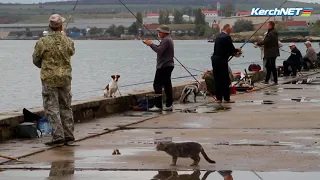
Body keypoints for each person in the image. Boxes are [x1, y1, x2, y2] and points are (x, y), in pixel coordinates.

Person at [32, 14, 75, 146]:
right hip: (65, 78)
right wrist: (64, 37)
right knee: (66, 106)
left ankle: (58, 136)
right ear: (61, 26)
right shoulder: (68, 41)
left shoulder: (42, 42)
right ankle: (68, 134)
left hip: (49, 79)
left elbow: (36, 60)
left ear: (49, 26)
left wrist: (45, 66)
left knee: (52, 108)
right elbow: (71, 52)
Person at [144, 25, 174, 111]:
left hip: (163, 66)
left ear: (165, 32)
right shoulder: (168, 40)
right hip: (168, 65)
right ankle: (169, 105)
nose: (158, 33)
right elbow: (160, 48)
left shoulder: (166, 40)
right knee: (167, 85)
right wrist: (151, 45)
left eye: (160, 32)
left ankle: (158, 106)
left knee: (157, 85)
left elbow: (159, 51)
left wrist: (151, 44)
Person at [211, 24, 242, 103]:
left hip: (215, 60)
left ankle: (218, 98)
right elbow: (231, 49)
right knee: (225, 79)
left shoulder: (218, 36)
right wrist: (237, 51)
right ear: (227, 29)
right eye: (230, 29)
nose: (231, 30)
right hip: (222, 61)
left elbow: (223, 49)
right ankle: (226, 99)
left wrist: (233, 52)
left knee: (217, 79)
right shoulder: (227, 37)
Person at [255, 21, 280, 85]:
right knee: (268, 66)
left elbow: (265, 41)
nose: (266, 26)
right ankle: (266, 80)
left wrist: (257, 43)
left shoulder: (271, 33)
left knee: (272, 66)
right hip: (271, 52)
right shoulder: (272, 32)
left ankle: (275, 81)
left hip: (271, 53)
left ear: (270, 26)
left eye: (267, 25)